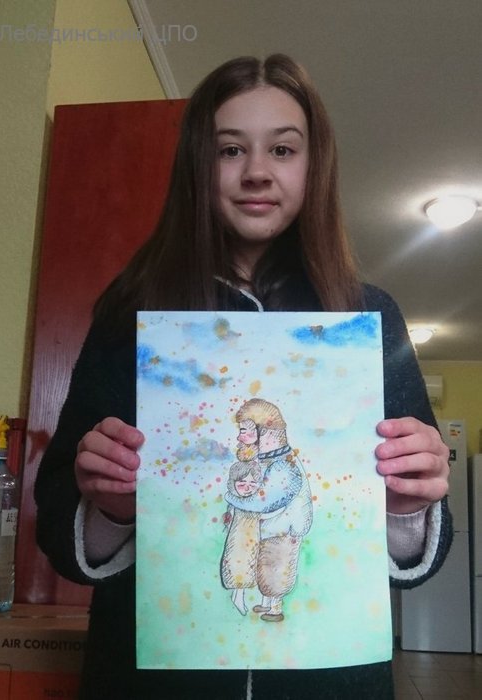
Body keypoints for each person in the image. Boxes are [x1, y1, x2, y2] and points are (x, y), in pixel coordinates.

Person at [34, 54, 452, 699]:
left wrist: (409, 507)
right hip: (155, 678)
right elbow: (59, 520)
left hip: (330, 675)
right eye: (230, 149)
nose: (257, 171)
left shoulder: (367, 318)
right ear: (197, 167)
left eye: (282, 149)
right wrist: (110, 509)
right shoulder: (132, 314)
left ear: (314, 166)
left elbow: (415, 551)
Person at [226, 398, 313, 623]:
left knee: (277, 565)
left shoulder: (285, 464)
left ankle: (275, 607)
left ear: (263, 430)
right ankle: (266, 602)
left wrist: (233, 499)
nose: (240, 437)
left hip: (285, 527)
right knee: (264, 562)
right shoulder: (267, 460)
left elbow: (266, 501)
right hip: (270, 525)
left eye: (245, 430)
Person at [220, 459, 263, 616]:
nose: (247, 488)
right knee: (239, 565)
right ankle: (238, 596)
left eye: (252, 484)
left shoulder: (257, 502)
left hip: (253, 540)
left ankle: (239, 596)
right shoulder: (235, 502)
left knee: (249, 565)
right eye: (242, 483)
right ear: (233, 483)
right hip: (239, 539)